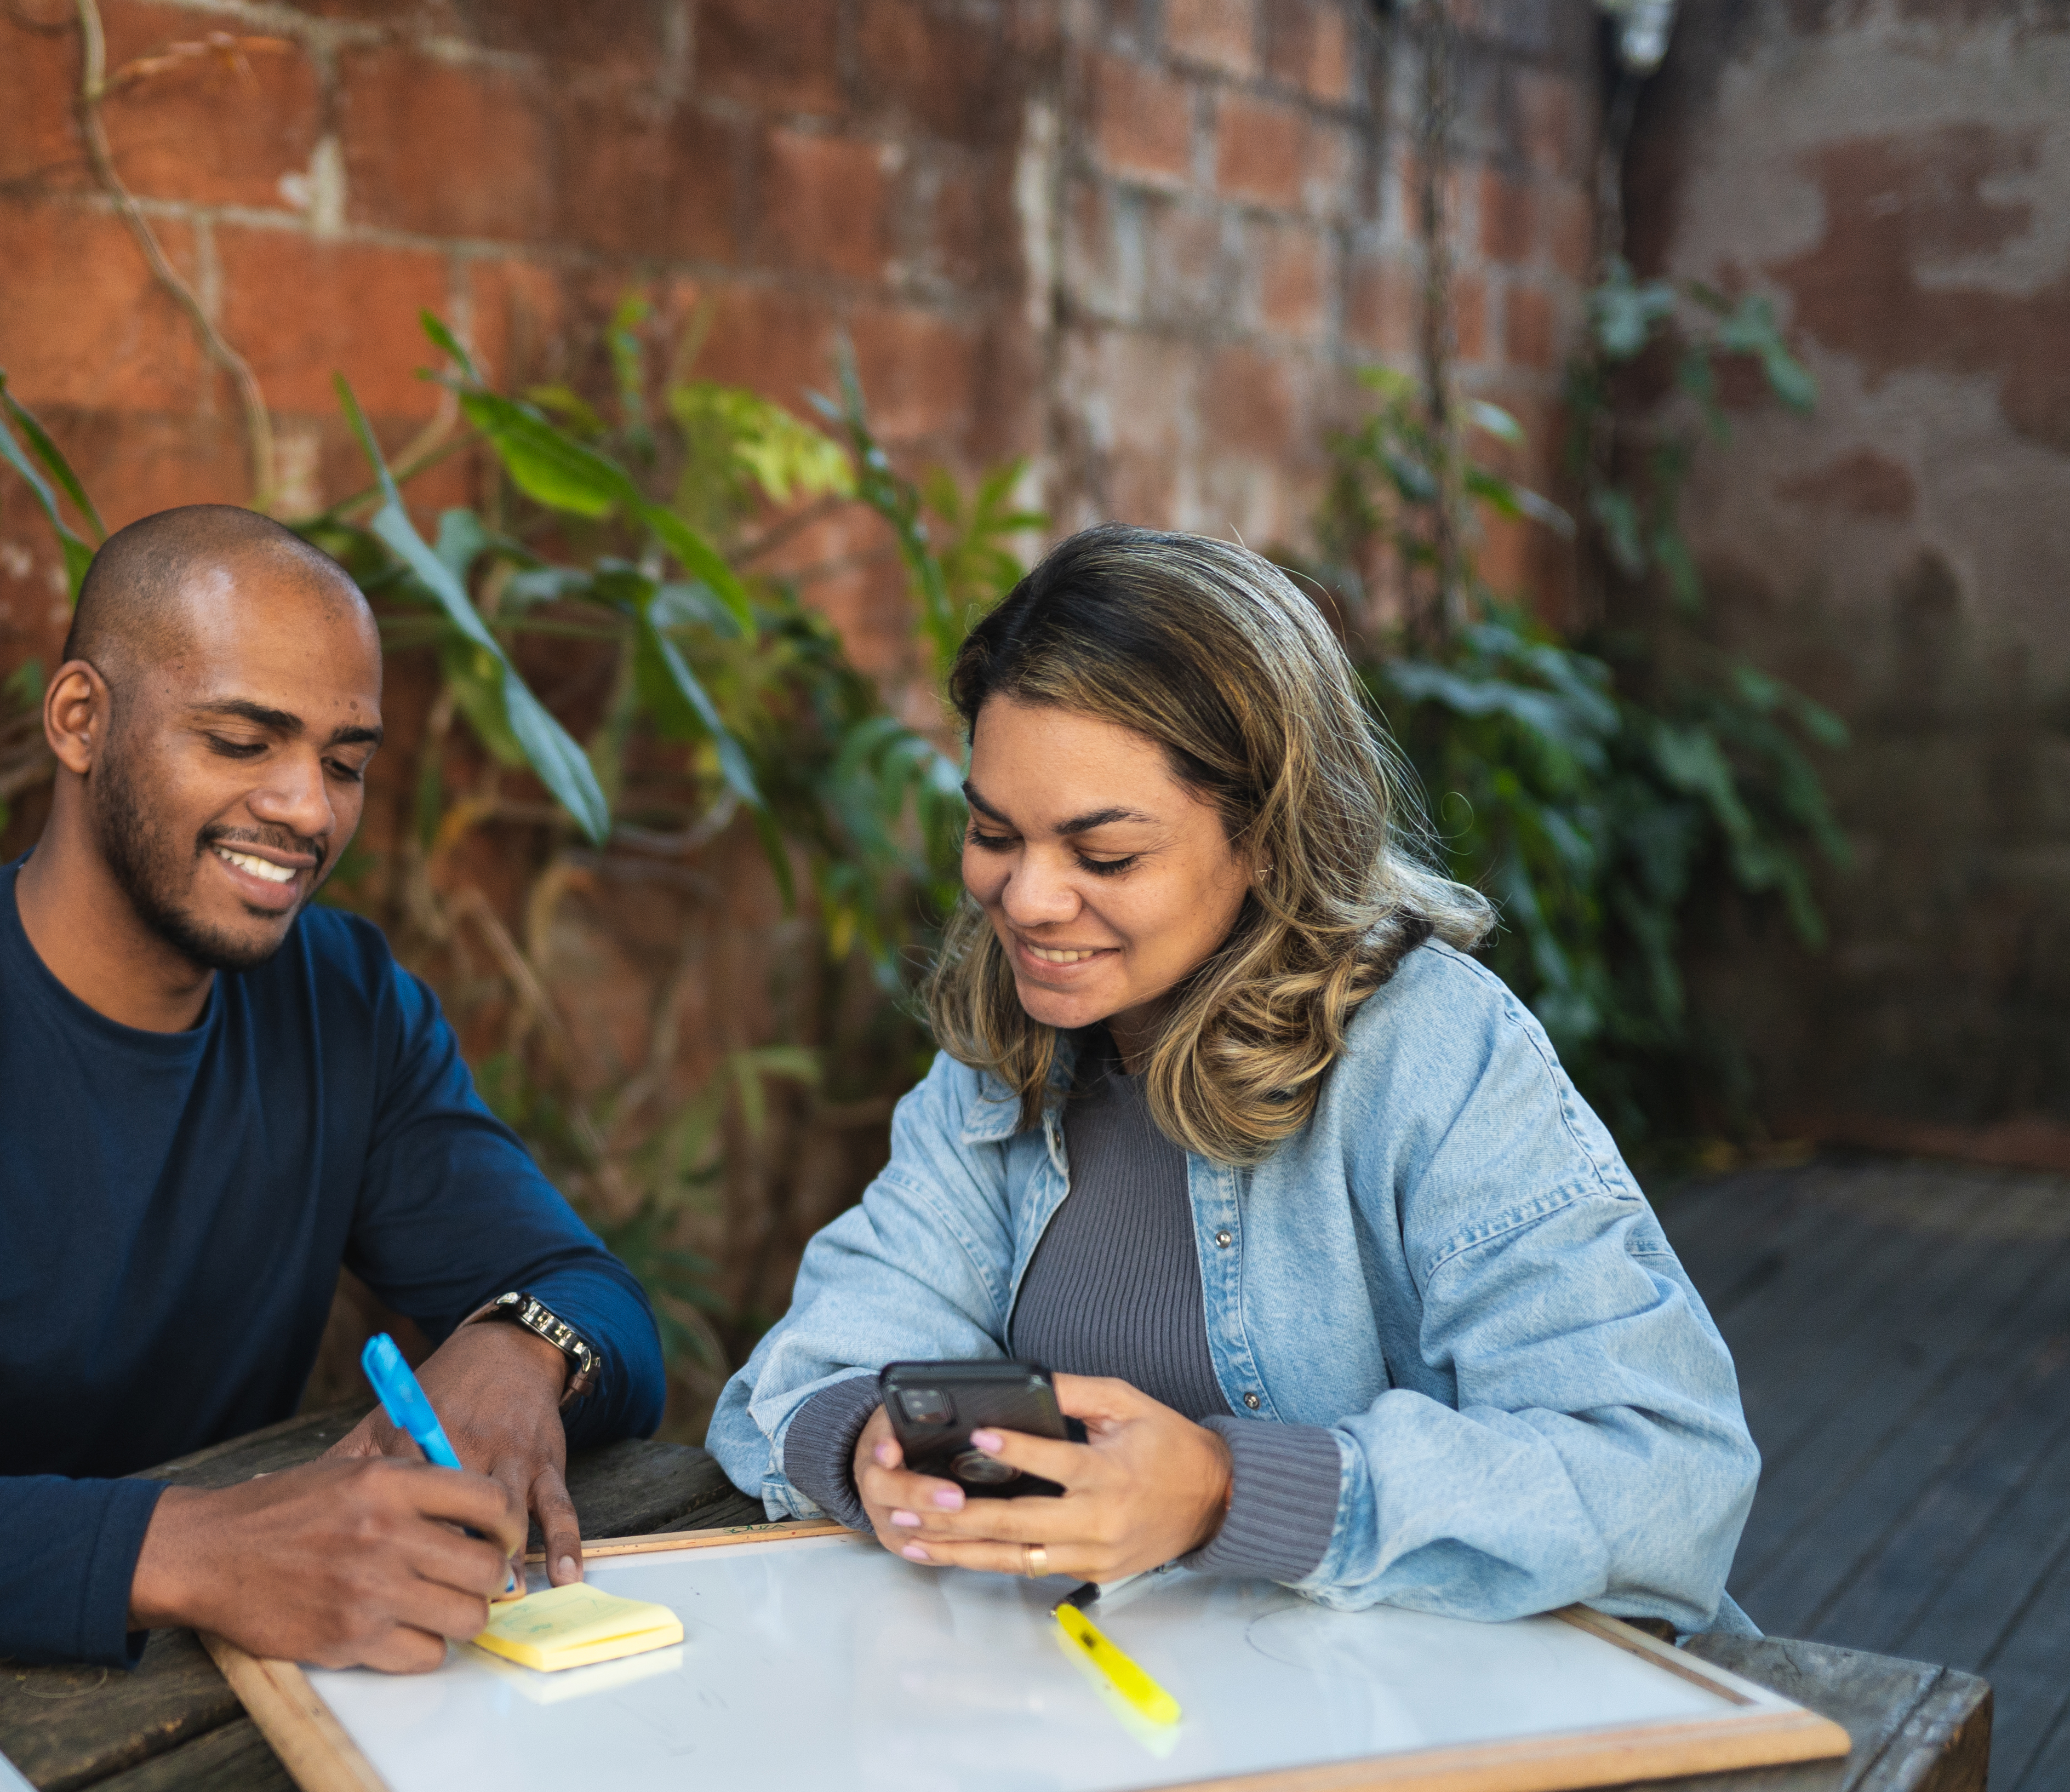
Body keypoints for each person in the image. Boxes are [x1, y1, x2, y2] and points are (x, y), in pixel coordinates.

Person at [0, 505, 662, 1673]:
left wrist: (519, 1344)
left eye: (344, 762)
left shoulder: (343, 1006)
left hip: (225, 1705)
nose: (307, 807)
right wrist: (193, 1551)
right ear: (81, 720)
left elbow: (595, 1300)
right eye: (245, 742)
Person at [707, 524, 1759, 1633]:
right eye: (991, 831)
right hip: (1131, 1722)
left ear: (1270, 836)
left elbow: (1664, 1476)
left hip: (1455, 1738)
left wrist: (1226, 1489)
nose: (1025, 900)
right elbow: (804, 1373)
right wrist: (867, 1445)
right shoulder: (999, 1056)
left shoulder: (1433, 1052)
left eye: (1104, 854)